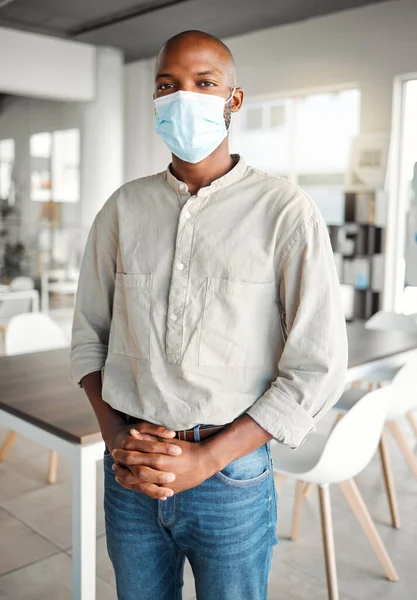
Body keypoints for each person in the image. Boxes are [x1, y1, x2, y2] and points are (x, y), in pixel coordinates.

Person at [71, 29, 347, 600]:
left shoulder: (285, 213)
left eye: (204, 83)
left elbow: (316, 367)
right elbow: (88, 337)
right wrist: (117, 439)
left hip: (232, 476)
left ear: (234, 100)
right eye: (167, 85)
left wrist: (207, 459)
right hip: (131, 473)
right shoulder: (123, 209)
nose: (183, 98)